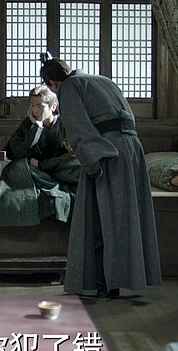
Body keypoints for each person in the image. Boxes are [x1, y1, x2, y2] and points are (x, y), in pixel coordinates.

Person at [40, 55, 161, 299]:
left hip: (108, 152)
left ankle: (103, 285)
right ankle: (120, 280)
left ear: (53, 84)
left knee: (100, 218)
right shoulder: (103, 80)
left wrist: (92, 162)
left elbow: (78, 129)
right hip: (132, 148)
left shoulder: (70, 87)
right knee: (123, 217)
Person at [0, 85, 80, 226]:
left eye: (40, 106)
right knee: (17, 168)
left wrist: (42, 164)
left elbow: (72, 155)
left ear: (53, 107)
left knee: (77, 163)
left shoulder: (65, 124)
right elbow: (17, 152)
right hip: (36, 172)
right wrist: (36, 128)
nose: (35, 110)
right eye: (32, 105)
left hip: (58, 169)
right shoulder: (29, 124)